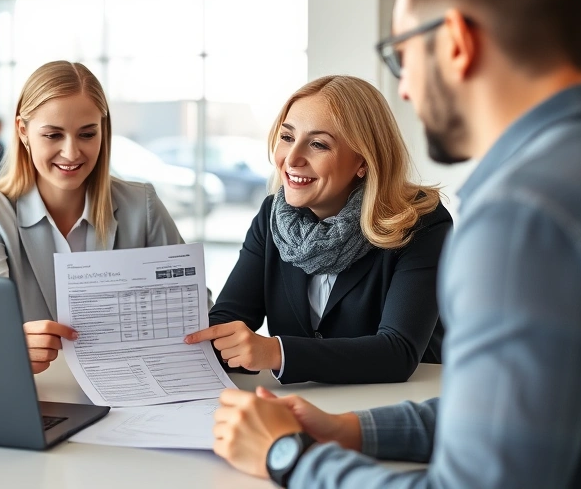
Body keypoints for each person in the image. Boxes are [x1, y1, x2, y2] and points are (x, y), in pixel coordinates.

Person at [211, 0, 581, 487]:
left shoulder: (520, 216)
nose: (406, 88)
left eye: (401, 55)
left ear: (457, 43)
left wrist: (287, 457)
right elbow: (503, 419)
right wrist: (351, 431)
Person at [186, 76, 451, 385]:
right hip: (299, 405)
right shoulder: (272, 216)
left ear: (362, 161)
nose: (292, 158)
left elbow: (398, 352)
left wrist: (276, 353)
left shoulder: (420, 220)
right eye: (287, 137)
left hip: (400, 409)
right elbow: (227, 321)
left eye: (318, 144)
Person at [0, 60, 184, 375]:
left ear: (102, 132)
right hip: (39, 393)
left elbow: (191, 308)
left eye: (87, 134)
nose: (71, 152)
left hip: (129, 391)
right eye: (53, 135)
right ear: (23, 132)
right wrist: (11, 342)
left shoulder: (141, 205)